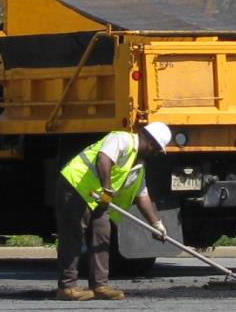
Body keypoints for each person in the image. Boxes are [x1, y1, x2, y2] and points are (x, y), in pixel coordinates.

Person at [53, 123, 172, 301]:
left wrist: (156, 223)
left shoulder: (138, 166)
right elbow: (104, 159)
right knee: (74, 236)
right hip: (76, 187)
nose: (155, 153)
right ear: (150, 143)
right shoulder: (122, 139)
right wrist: (107, 190)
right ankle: (67, 287)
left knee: (102, 236)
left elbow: (142, 196)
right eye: (156, 149)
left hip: (99, 198)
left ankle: (100, 285)